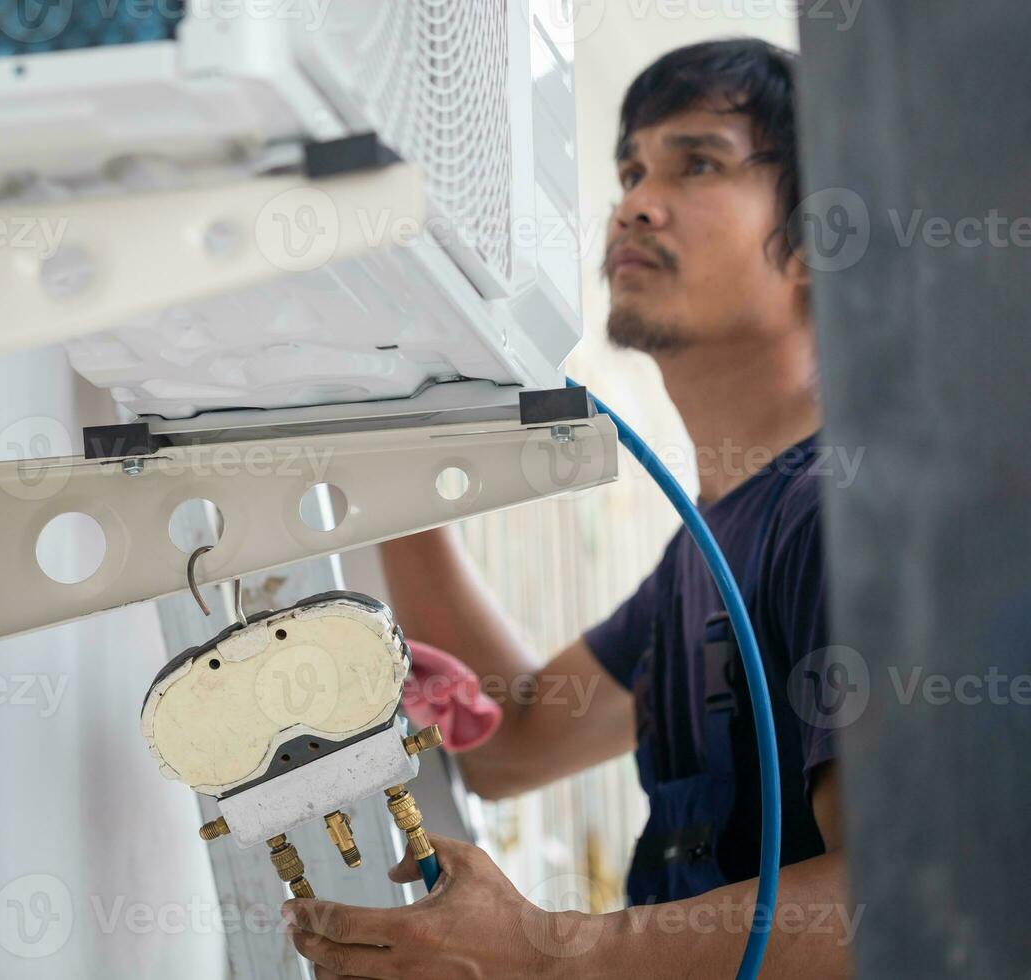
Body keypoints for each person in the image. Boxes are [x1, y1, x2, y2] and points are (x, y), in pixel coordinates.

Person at [282, 39, 859, 978]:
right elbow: (511, 741)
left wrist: (552, 951)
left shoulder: (843, 518)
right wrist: (384, 457)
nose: (632, 200)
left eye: (699, 161)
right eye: (630, 167)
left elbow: (891, 908)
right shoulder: (710, 550)